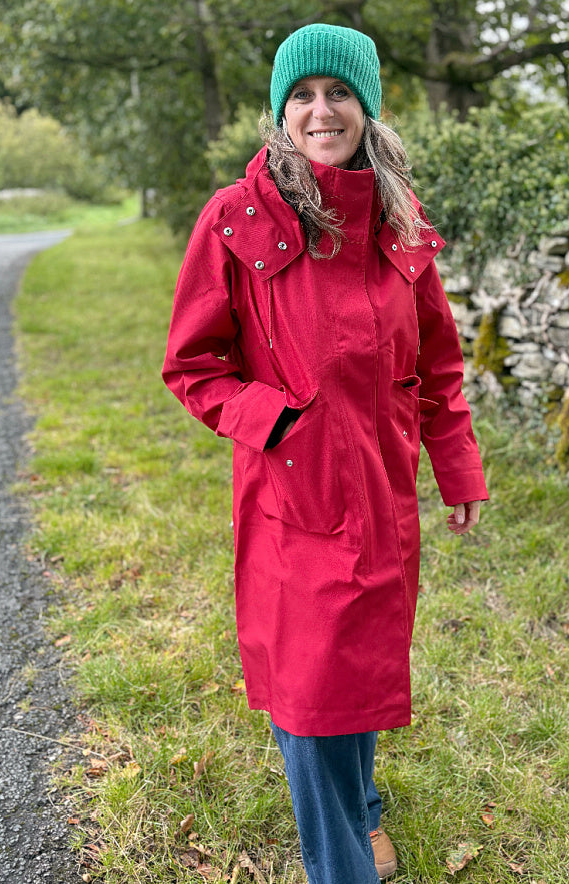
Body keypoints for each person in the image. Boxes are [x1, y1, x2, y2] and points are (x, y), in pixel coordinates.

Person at [162, 22, 488, 884]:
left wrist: (457, 467)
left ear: (368, 108)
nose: (320, 110)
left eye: (338, 92)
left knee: (358, 664)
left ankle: (365, 806)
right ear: (279, 112)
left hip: (382, 493)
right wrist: (280, 423)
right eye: (301, 95)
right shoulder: (235, 221)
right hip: (292, 500)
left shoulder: (400, 223)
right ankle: (342, 865)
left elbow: (439, 368)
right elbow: (194, 366)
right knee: (311, 694)